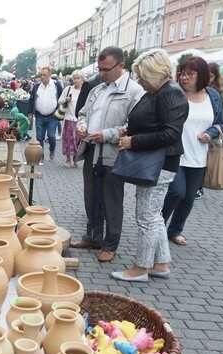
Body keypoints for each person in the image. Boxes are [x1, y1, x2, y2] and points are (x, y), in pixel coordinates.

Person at [110, 49, 189, 282]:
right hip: (158, 162)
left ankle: (141, 268)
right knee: (153, 215)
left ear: (155, 72)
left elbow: (170, 134)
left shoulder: (170, 94)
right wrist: (131, 131)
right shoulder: (159, 92)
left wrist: (133, 141)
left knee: (147, 218)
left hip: (160, 164)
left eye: (142, 76)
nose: (140, 80)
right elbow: (153, 123)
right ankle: (161, 264)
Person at [71, 47, 144, 263]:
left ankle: (110, 244)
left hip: (114, 154)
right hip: (91, 149)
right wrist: (82, 125)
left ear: (121, 66)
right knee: (91, 196)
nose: (101, 74)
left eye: (106, 69)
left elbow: (134, 126)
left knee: (111, 200)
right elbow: (83, 113)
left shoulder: (134, 92)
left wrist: (107, 135)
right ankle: (93, 237)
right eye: (99, 69)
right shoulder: (98, 89)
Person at [162, 56, 223, 246]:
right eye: (182, 73)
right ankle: (157, 226)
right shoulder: (174, 93)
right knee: (177, 192)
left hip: (199, 157)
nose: (184, 77)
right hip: (176, 154)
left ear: (202, 75)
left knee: (189, 197)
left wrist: (210, 134)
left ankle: (175, 231)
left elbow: (219, 123)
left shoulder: (212, 96)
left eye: (190, 74)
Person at [30, 66, 63, 160]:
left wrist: (60, 112)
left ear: (49, 75)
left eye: (44, 75)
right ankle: (41, 155)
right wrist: (30, 113)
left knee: (51, 136)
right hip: (39, 115)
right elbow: (31, 100)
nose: (42, 77)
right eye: (41, 75)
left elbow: (62, 98)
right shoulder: (36, 86)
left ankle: (52, 150)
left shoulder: (56, 85)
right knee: (39, 137)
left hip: (52, 116)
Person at [58, 70, 84, 167]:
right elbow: (60, 101)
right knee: (69, 140)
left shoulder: (84, 91)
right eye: (74, 78)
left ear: (82, 79)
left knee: (78, 141)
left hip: (80, 120)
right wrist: (66, 100)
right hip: (69, 118)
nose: (76, 80)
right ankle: (69, 160)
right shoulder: (68, 89)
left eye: (78, 78)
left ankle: (75, 159)